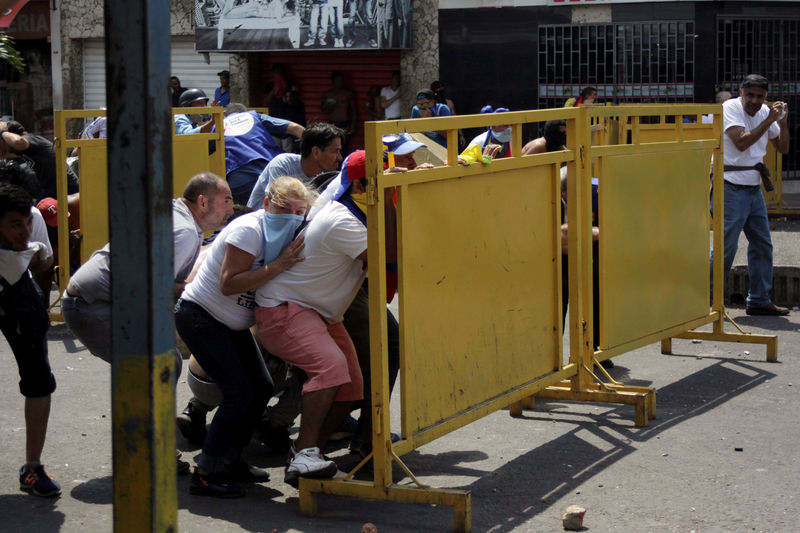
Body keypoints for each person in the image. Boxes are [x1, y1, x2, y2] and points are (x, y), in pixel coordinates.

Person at [62, 173, 233, 474]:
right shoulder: (184, 232)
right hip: (93, 306)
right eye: (226, 201)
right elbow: (153, 285)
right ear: (203, 202)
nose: (231, 209)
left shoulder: (176, 213)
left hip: (97, 300)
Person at [175, 177, 312, 497]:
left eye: (299, 211)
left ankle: (231, 461)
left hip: (230, 324)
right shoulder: (249, 230)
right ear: (266, 204)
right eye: (284, 208)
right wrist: (278, 266)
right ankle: (206, 471)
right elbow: (228, 283)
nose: (292, 216)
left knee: (261, 386)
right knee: (238, 392)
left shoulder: (293, 235)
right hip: (201, 316)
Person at [254, 151, 372, 486]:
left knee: (351, 389)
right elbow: (390, 256)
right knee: (331, 369)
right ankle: (305, 452)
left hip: (318, 312)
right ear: (362, 186)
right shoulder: (344, 220)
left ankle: (306, 455)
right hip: (287, 309)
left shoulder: (352, 212)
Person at [712, 74, 790, 315]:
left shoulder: (766, 112)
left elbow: (783, 148)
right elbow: (741, 142)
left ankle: (758, 299)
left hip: (753, 186)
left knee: (762, 244)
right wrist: (769, 120)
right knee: (726, 246)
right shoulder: (730, 107)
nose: (755, 101)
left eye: (760, 97)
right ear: (741, 93)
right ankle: (709, 300)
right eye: (751, 96)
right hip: (730, 184)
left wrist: (783, 121)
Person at [0, 183, 60, 497]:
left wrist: (31, 258)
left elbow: (44, 263)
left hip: (18, 295)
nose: (24, 230)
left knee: (39, 380)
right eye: (14, 225)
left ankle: (32, 468)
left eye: (25, 223)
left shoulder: (34, 217)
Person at [220, 103, 305, 204]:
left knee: (245, 215)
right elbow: (295, 127)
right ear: (245, 112)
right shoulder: (254, 116)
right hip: (269, 172)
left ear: (225, 115)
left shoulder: (219, 124)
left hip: (240, 179)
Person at [247, 122, 344, 209]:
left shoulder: (328, 177)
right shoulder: (282, 164)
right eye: (335, 151)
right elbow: (278, 205)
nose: (340, 158)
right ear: (316, 152)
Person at [0, 124, 80, 201]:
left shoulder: (30, 139)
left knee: (36, 212)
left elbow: (17, 141)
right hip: (53, 187)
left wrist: (2, 131)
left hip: (65, 186)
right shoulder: (25, 150)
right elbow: (3, 154)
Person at [320, 71, 356, 153]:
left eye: (341, 80)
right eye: (338, 80)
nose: (340, 82)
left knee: (344, 147)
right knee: (332, 146)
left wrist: (353, 124)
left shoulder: (347, 94)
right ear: (333, 81)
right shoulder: (328, 94)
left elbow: (354, 110)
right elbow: (323, 109)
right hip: (332, 123)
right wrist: (330, 105)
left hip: (344, 123)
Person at [430, 80, 465, 148]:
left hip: (448, 136)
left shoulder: (449, 103)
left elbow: (454, 119)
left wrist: (461, 135)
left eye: (441, 90)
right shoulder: (430, 105)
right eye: (437, 90)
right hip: (434, 137)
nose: (440, 93)